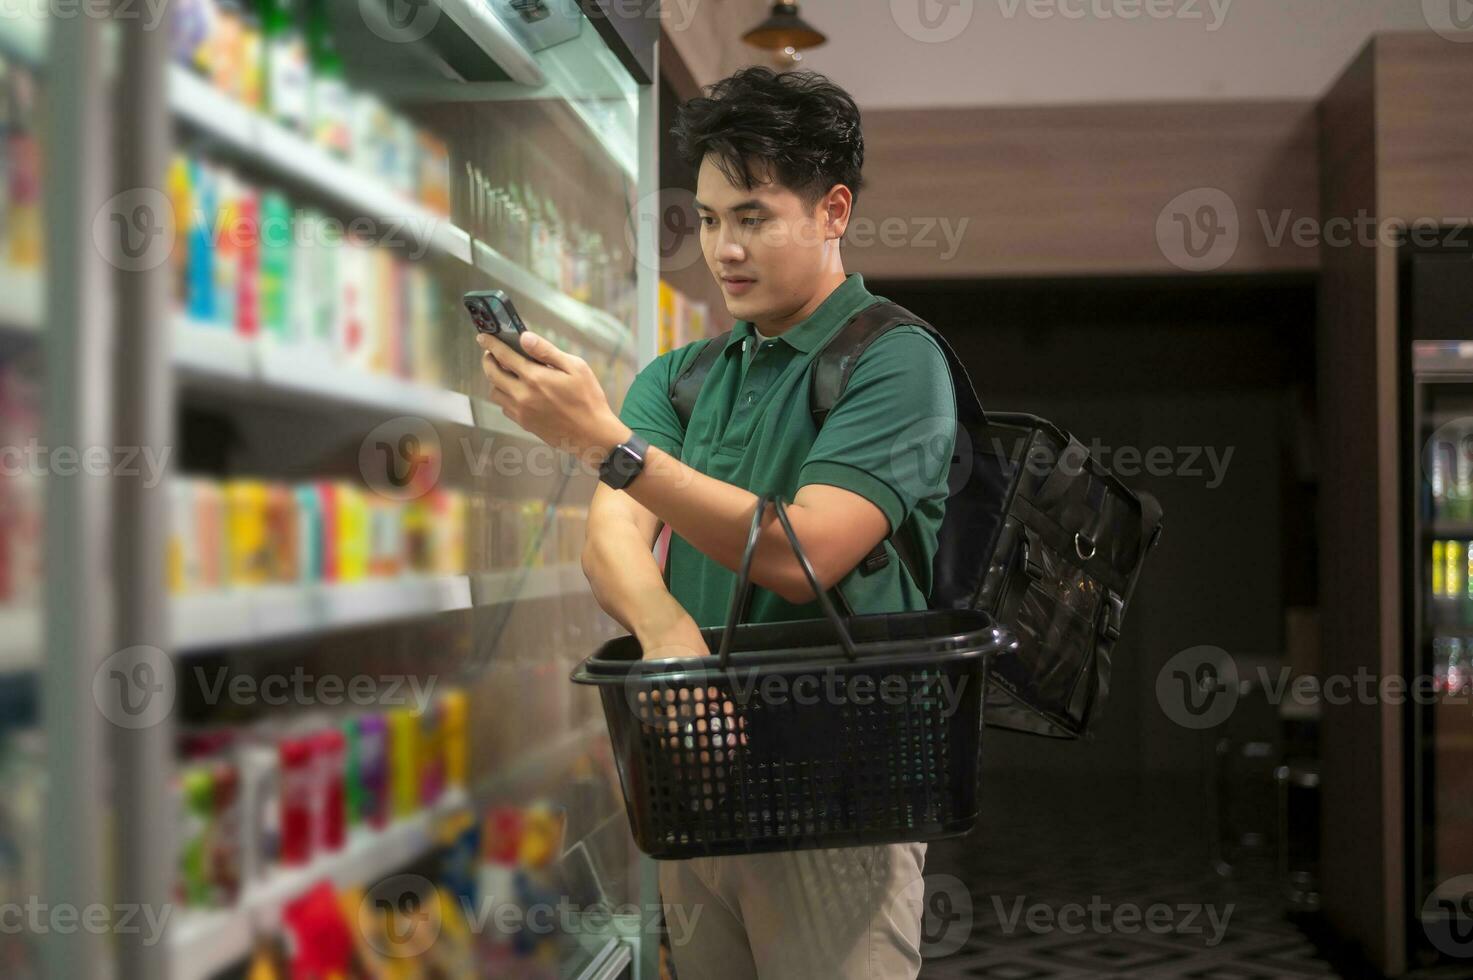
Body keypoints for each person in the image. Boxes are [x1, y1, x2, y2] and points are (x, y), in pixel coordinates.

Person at [478, 66, 956, 980]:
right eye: (705, 219)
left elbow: (803, 554)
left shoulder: (895, 360)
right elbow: (607, 542)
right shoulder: (681, 375)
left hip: (842, 798)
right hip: (696, 783)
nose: (723, 249)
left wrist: (610, 446)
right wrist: (668, 641)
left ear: (833, 211)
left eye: (753, 217)